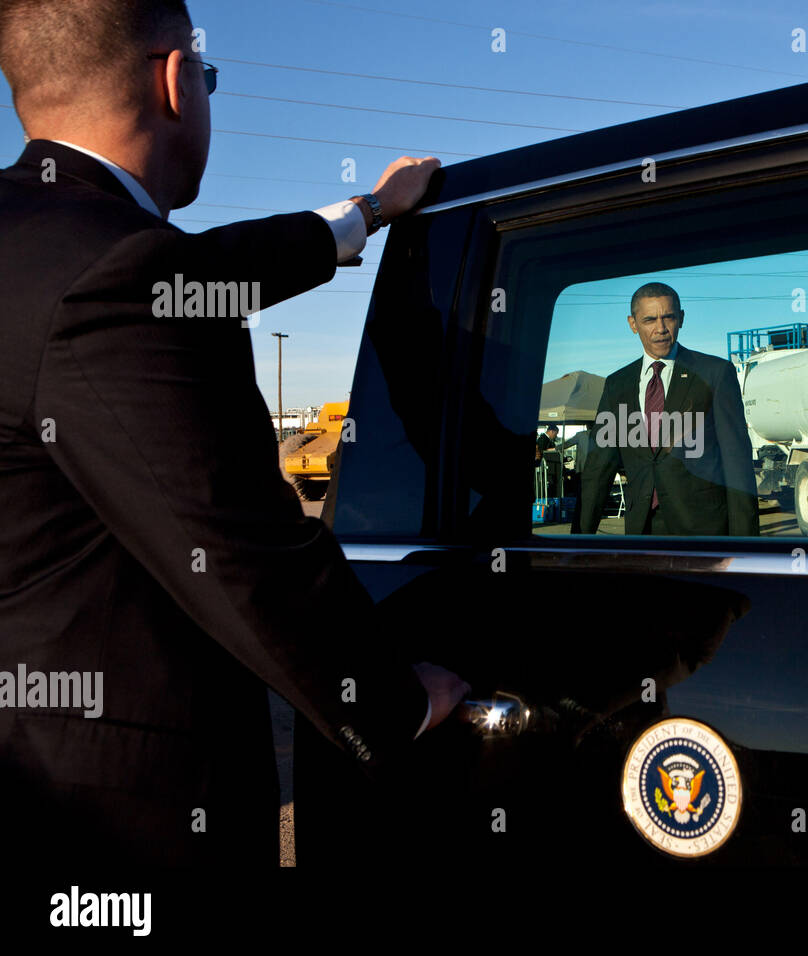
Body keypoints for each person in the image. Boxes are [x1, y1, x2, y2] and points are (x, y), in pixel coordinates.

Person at [0, 0, 468, 866]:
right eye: (208, 77)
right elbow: (248, 556)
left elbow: (200, 274)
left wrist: (366, 211)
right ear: (177, 80)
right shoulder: (115, 273)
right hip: (116, 826)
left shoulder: (48, 245)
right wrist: (395, 704)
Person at [578, 282, 759, 535]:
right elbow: (598, 469)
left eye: (668, 317)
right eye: (650, 319)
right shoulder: (616, 385)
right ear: (633, 324)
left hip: (703, 531)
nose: (660, 329)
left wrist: (746, 549)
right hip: (641, 530)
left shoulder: (715, 374)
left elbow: (737, 466)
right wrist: (577, 543)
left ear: (681, 318)